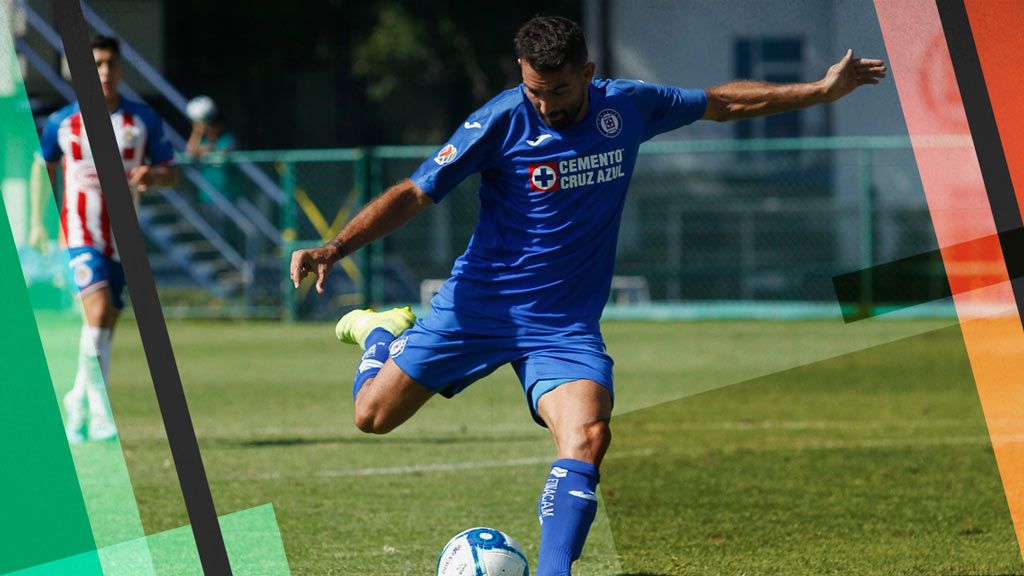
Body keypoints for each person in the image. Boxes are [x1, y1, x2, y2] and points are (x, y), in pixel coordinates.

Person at [290, 16, 885, 575]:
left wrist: (820, 91)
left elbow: (721, 102)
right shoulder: (498, 120)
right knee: (372, 417)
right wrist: (335, 248)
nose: (545, 105)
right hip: (478, 307)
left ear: (589, 73)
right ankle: (381, 332)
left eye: (558, 91)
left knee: (589, 436)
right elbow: (417, 192)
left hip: (563, 325)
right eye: (533, 90)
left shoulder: (627, 106)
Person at [29, 34, 179, 444]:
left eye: (111, 64)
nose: (105, 72)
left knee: (106, 325)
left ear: (120, 69)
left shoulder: (141, 120)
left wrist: (153, 175)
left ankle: (76, 402)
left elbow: (172, 171)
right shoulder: (63, 122)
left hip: (122, 239)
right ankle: (99, 413)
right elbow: (41, 165)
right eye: (96, 64)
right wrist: (38, 225)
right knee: (96, 314)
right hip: (78, 233)